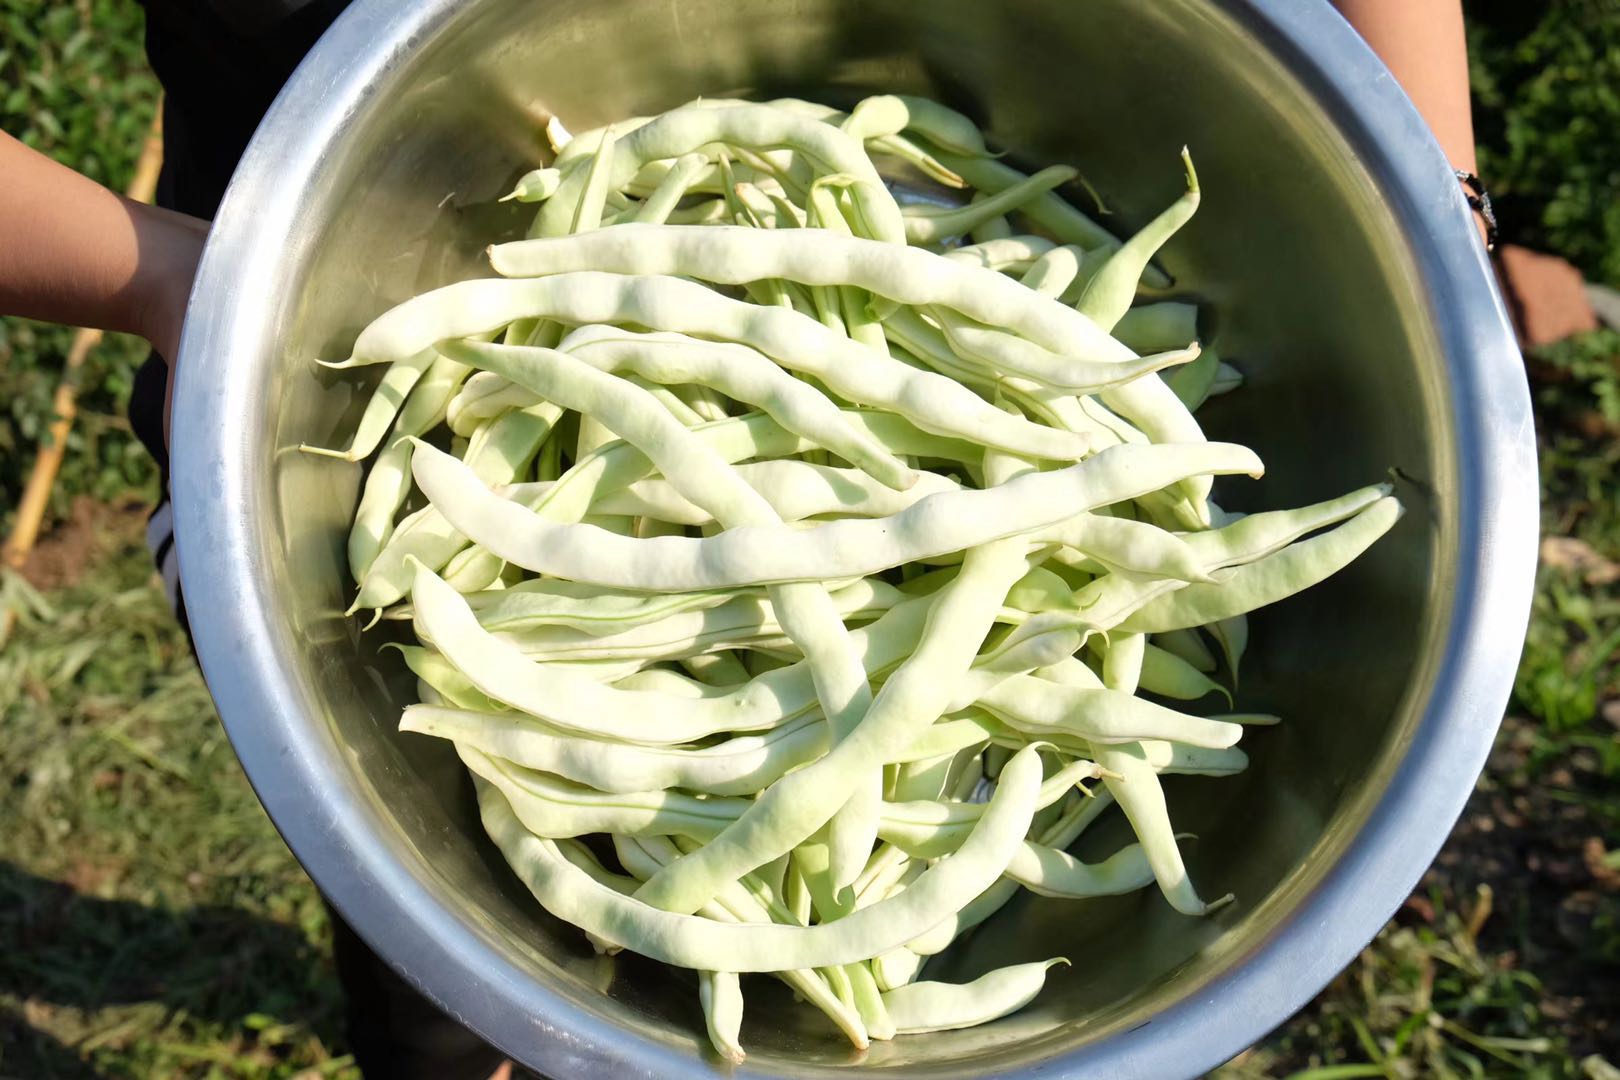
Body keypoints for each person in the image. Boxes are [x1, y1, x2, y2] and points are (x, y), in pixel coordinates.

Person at [0, 1, 1487, 1075]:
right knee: (439, 972)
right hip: (254, 322)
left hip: (891, 295)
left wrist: (1443, 215)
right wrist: (169, 281)